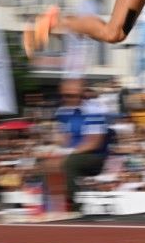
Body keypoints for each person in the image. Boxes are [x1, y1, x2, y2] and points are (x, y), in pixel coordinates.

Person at [47, 79, 111, 212]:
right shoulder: (62, 112)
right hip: (73, 152)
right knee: (46, 163)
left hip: (94, 156)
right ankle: (50, 203)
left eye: (71, 95)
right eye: (64, 95)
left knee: (68, 163)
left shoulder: (94, 112)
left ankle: (72, 204)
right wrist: (54, 149)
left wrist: (67, 153)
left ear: (82, 95)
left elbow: (93, 143)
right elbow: (63, 138)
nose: (66, 99)